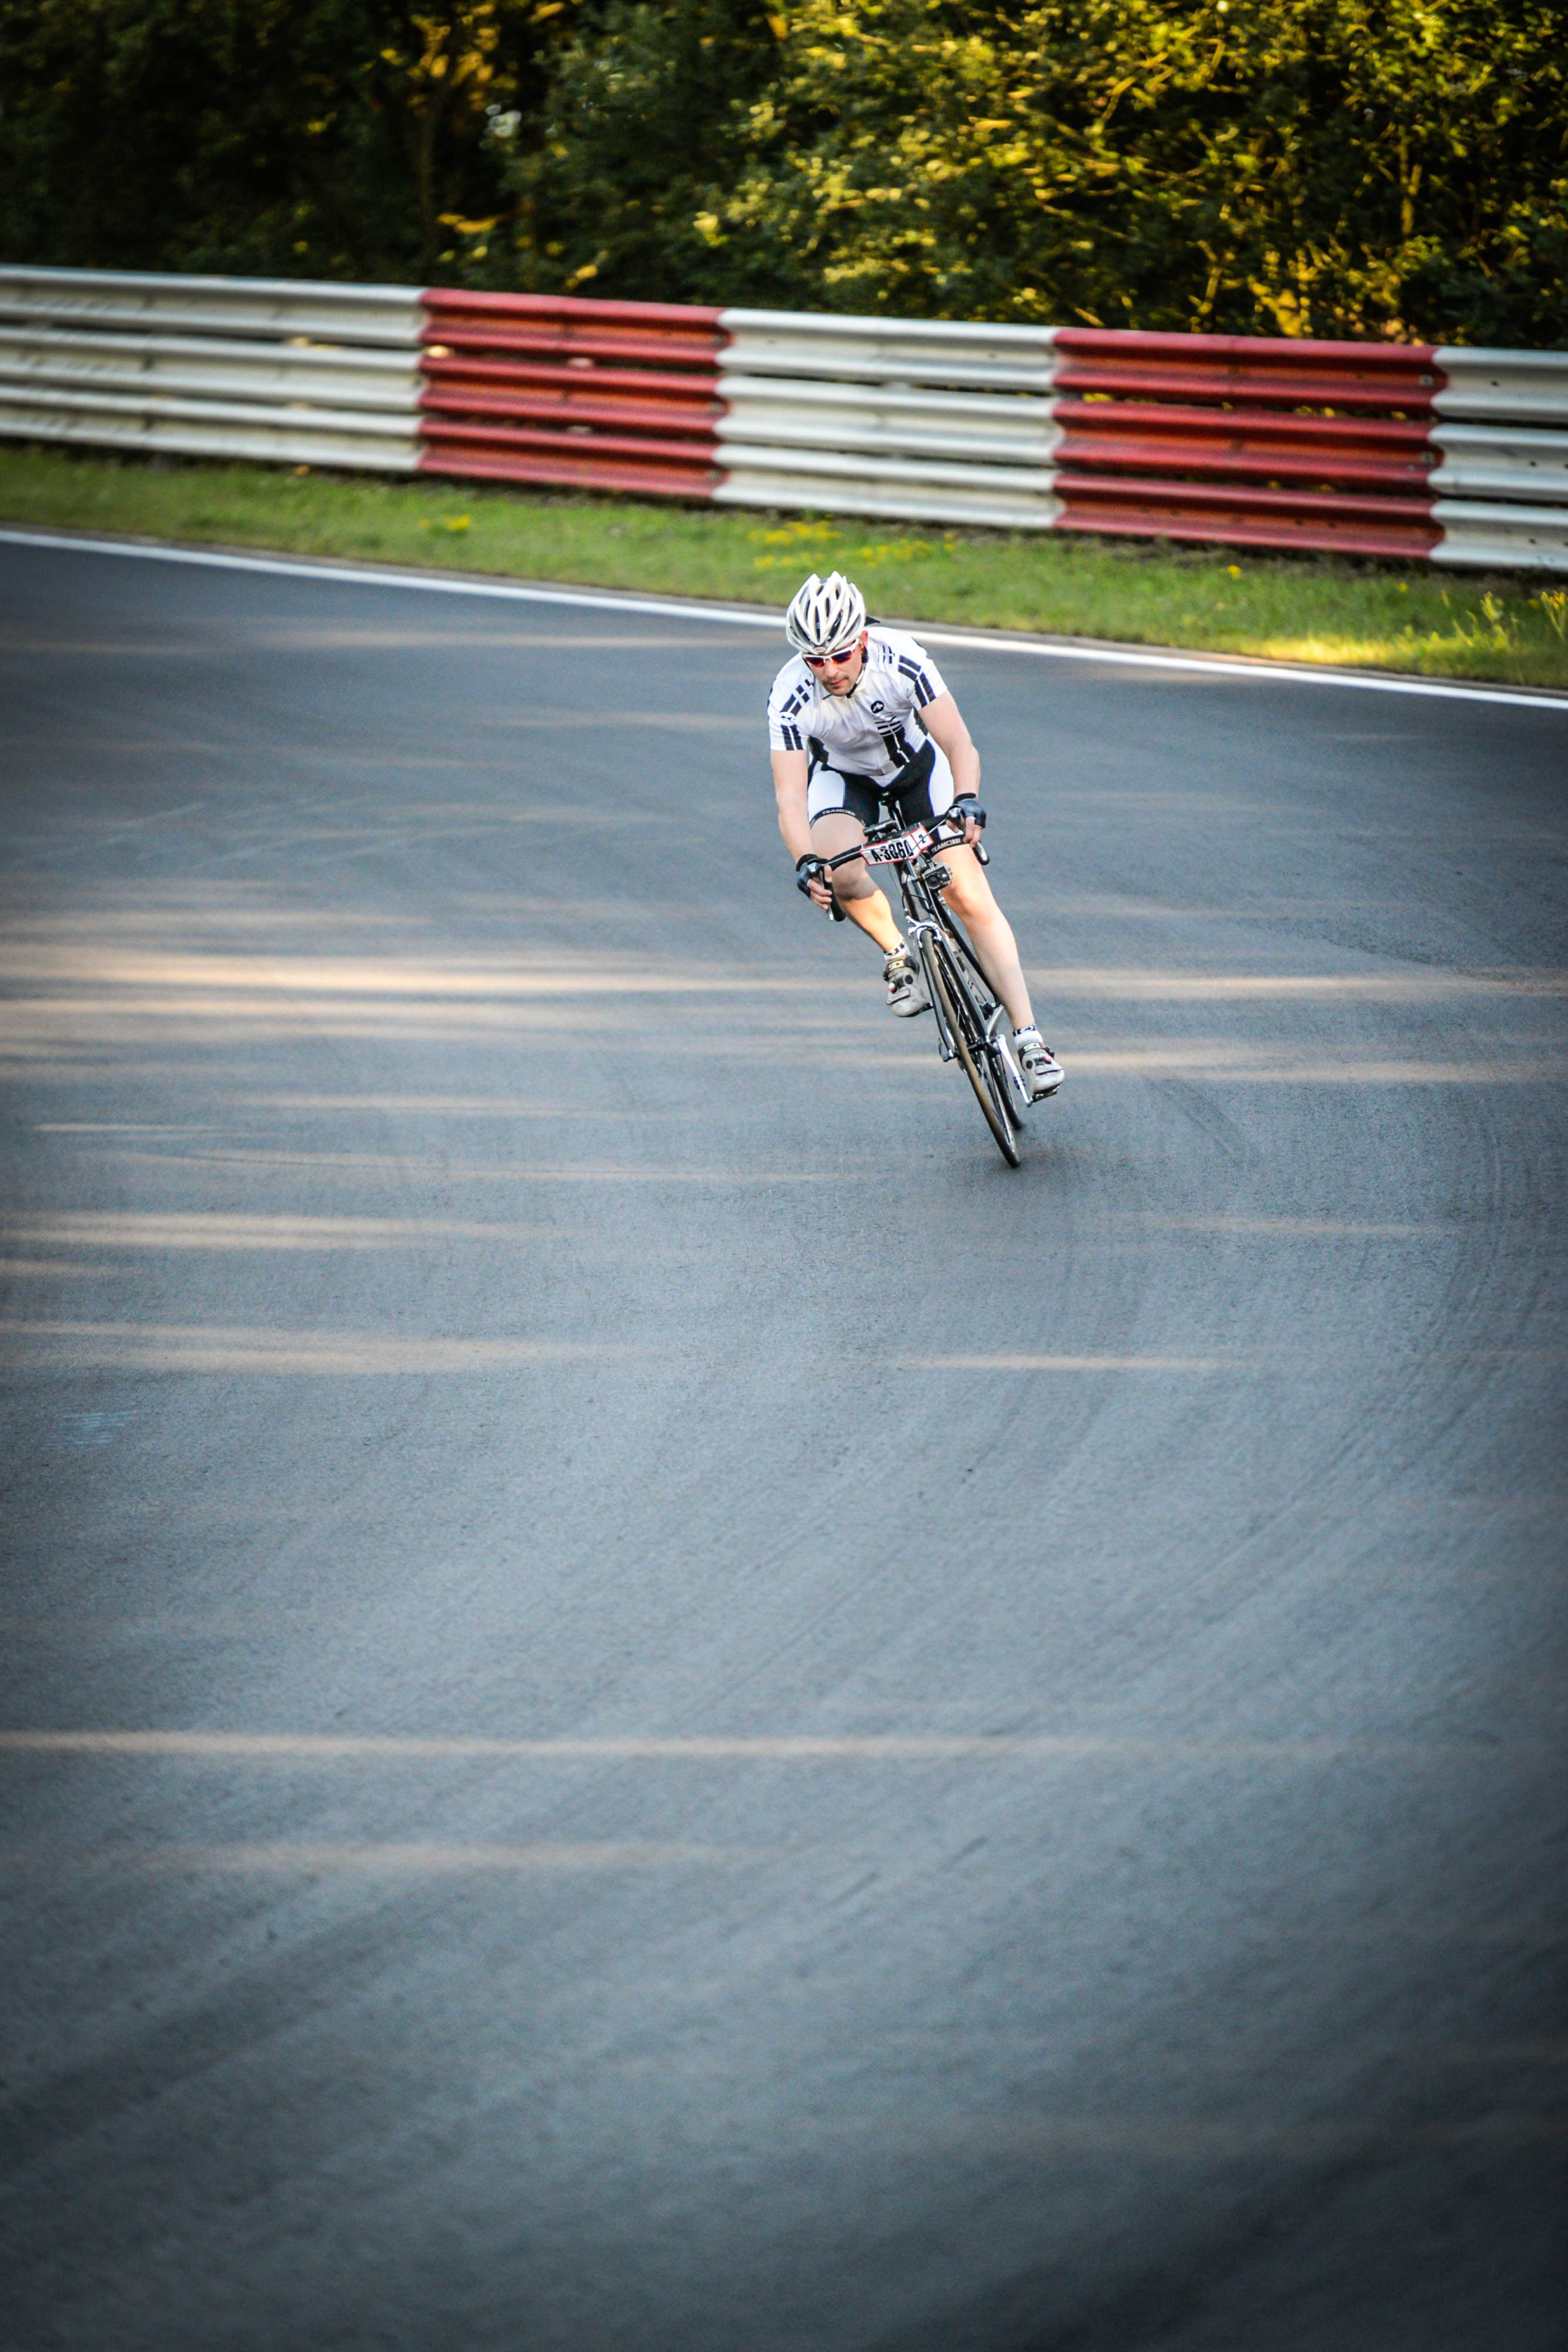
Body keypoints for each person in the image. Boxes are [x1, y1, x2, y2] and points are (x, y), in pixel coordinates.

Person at [768, 570, 1064, 1100]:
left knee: (967, 893)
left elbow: (958, 742)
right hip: (844, 779)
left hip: (916, 770)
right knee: (839, 871)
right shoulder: (789, 693)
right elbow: (790, 796)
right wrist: (805, 860)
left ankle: (1029, 1039)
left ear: (861, 639)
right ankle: (897, 954)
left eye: (840, 655)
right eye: (815, 660)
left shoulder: (901, 656)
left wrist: (965, 799)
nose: (829, 670)